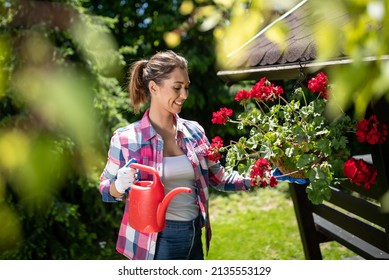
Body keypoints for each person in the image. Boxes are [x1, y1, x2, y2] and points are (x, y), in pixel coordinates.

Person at [99, 50, 251, 260]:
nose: (184, 95)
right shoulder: (126, 139)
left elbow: (219, 178)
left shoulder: (194, 132)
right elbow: (105, 191)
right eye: (177, 88)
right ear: (154, 87)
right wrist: (119, 185)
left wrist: (264, 177)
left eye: (186, 87)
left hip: (194, 233)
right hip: (155, 242)